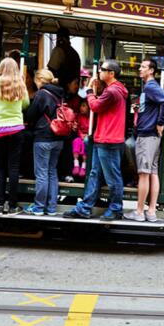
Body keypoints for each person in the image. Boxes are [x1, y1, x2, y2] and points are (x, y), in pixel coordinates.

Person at [64, 58, 129, 221]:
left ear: (111, 73)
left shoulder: (112, 91)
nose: (99, 71)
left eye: (102, 69)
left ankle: (115, 209)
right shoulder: (115, 90)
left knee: (112, 177)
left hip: (109, 140)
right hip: (104, 139)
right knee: (94, 174)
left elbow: (95, 106)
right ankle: (85, 207)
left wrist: (90, 92)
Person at [124, 58, 164, 223]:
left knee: (144, 174)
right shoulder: (148, 88)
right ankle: (151, 212)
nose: (140, 69)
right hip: (151, 136)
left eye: (143, 67)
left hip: (147, 135)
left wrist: (160, 122)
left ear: (151, 70)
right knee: (152, 172)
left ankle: (139, 212)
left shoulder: (151, 87)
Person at [0, 57, 30, 215]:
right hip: (16, 129)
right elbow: (26, 104)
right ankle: (12, 205)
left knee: (1, 168)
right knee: (13, 168)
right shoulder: (20, 84)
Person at [23, 69, 67, 216]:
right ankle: (52, 207)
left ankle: (39, 207)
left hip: (43, 137)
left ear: (39, 80)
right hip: (58, 138)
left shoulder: (42, 93)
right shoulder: (60, 93)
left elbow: (30, 115)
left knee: (41, 173)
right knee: (52, 172)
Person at [72, 99, 90, 179]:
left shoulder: (92, 117)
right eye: (80, 106)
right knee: (76, 141)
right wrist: (81, 134)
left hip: (88, 138)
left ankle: (83, 166)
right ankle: (76, 164)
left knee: (85, 144)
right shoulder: (79, 116)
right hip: (80, 136)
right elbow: (78, 127)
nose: (81, 108)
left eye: (84, 106)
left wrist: (87, 135)